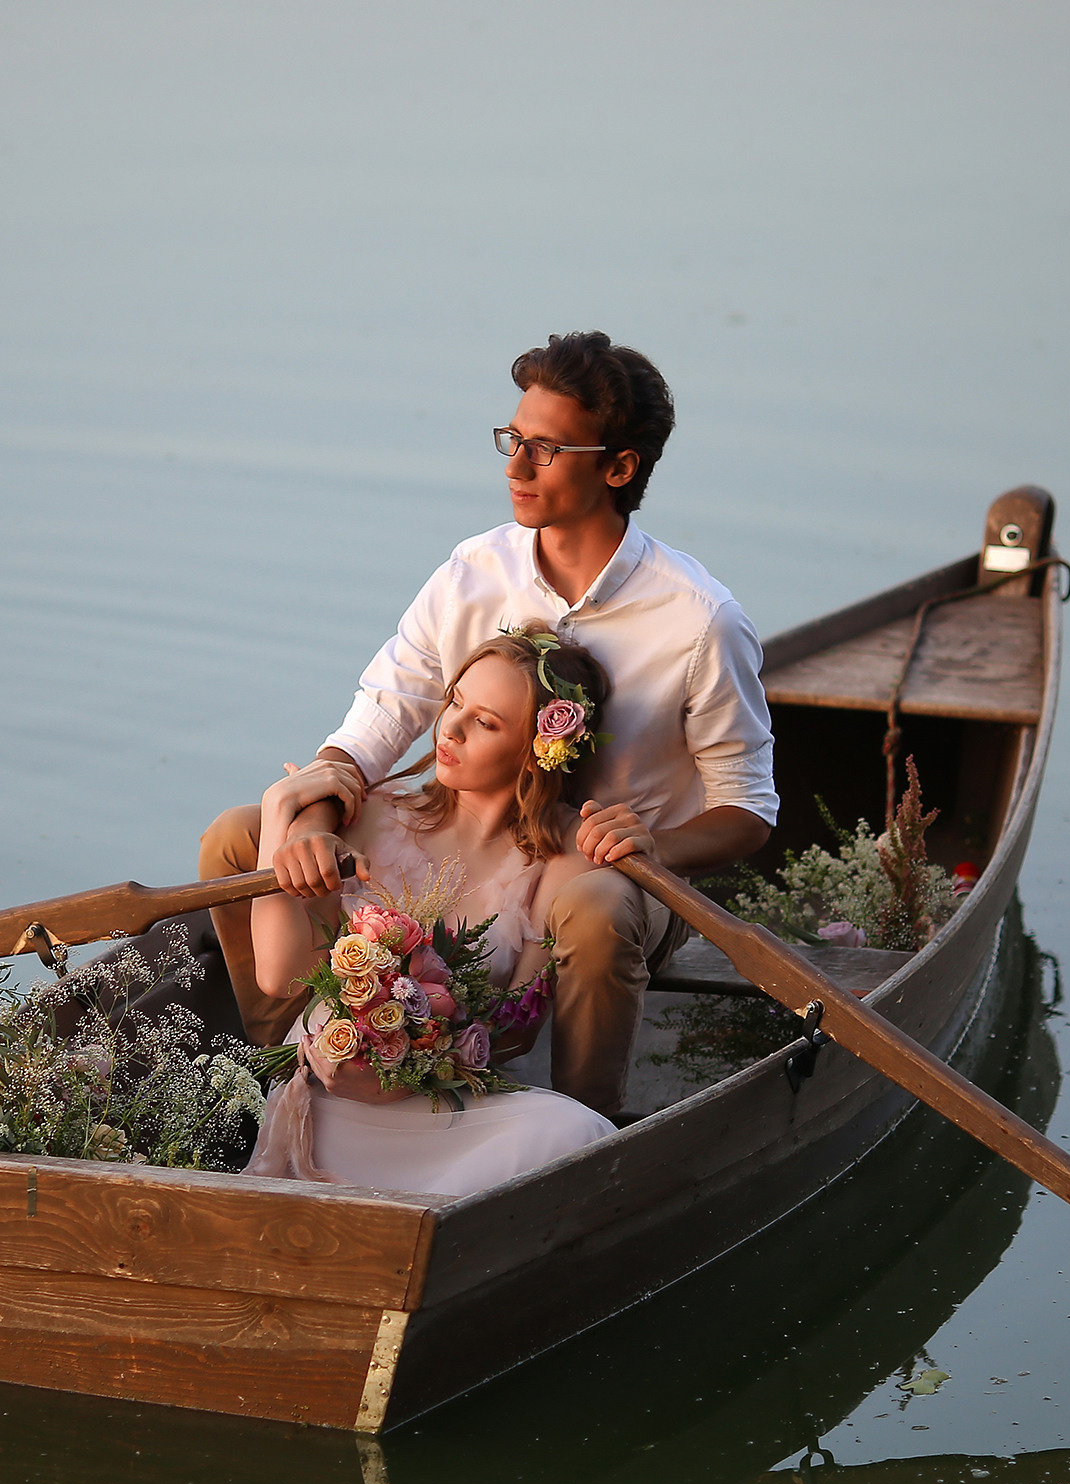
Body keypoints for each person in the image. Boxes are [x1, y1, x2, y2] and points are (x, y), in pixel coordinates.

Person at [201, 331, 778, 1118]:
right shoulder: (475, 570)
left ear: (618, 467)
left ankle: (588, 1123)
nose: (514, 466)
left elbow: (748, 809)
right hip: (457, 831)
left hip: (602, 866)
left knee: (596, 902)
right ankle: (294, 1067)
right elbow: (383, 716)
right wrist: (314, 809)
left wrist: (657, 844)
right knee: (239, 838)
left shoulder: (701, 621)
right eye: (512, 440)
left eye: (545, 448)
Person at [242, 629, 635, 1196]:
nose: (449, 727)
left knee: (575, 1133)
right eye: (455, 701)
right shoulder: (372, 816)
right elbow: (279, 975)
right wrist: (279, 808)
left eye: (486, 722)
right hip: (334, 1091)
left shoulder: (561, 858)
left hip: (452, 1105)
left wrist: (417, 1049)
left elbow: (513, 1031)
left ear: (538, 751)